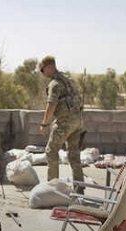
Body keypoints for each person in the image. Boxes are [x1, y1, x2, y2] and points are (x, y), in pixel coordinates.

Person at [38, 55, 85, 185]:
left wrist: (44, 124)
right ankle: (79, 187)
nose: (42, 73)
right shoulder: (68, 80)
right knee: (74, 155)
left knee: (51, 151)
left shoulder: (55, 84)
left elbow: (51, 106)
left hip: (65, 123)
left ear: (49, 67)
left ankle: (53, 187)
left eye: (42, 70)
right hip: (78, 121)